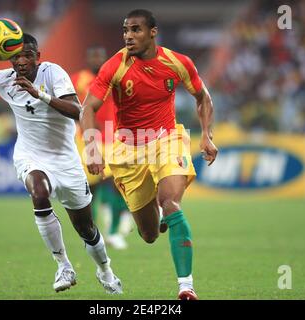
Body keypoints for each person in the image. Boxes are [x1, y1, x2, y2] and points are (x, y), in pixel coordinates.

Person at [80, 10, 218, 300]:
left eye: (136, 30)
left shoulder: (178, 62)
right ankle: (156, 205)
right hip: (128, 149)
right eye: (125, 31)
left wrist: (206, 135)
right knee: (149, 234)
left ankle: (186, 286)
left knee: (170, 202)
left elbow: (202, 97)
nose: (128, 36)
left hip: (167, 139)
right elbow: (88, 108)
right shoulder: (115, 65)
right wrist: (92, 148)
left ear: (153, 32)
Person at [0, 33, 122, 294]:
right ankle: (63, 265)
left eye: (28, 55)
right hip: (30, 154)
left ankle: (105, 270)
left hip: (65, 159)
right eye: (16, 56)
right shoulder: (3, 79)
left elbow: (76, 110)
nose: (22, 61)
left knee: (86, 228)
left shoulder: (53, 74)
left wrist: (39, 94)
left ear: (38, 57)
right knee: (39, 193)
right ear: (9, 58)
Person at [71, 45, 131, 250]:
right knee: (90, 190)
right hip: (87, 139)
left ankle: (114, 232)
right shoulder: (78, 79)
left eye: (99, 56)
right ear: (88, 59)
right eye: (93, 56)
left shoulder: (116, 79)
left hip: (113, 137)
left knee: (116, 185)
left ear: (105, 58)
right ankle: (91, 233)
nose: (96, 60)